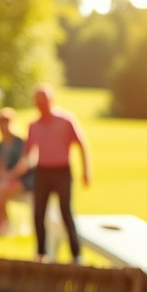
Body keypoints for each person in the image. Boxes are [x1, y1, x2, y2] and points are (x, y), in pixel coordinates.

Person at [18, 86, 91, 262]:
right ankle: (41, 253)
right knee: (39, 213)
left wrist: (86, 171)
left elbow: (81, 144)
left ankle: (76, 254)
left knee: (66, 211)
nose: (41, 105)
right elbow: (28, 152)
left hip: (62, 171)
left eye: (43, 101)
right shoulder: (34, 125)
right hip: (42, 171)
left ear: (51, 101)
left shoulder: (65, 120)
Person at [0, 108, 33, 236]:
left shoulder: (21, 142)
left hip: (24, 180)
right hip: (7, 180)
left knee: (0, 189)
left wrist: (7, 177)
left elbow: (23, 166)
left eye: (5, 123)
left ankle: (2, 222)